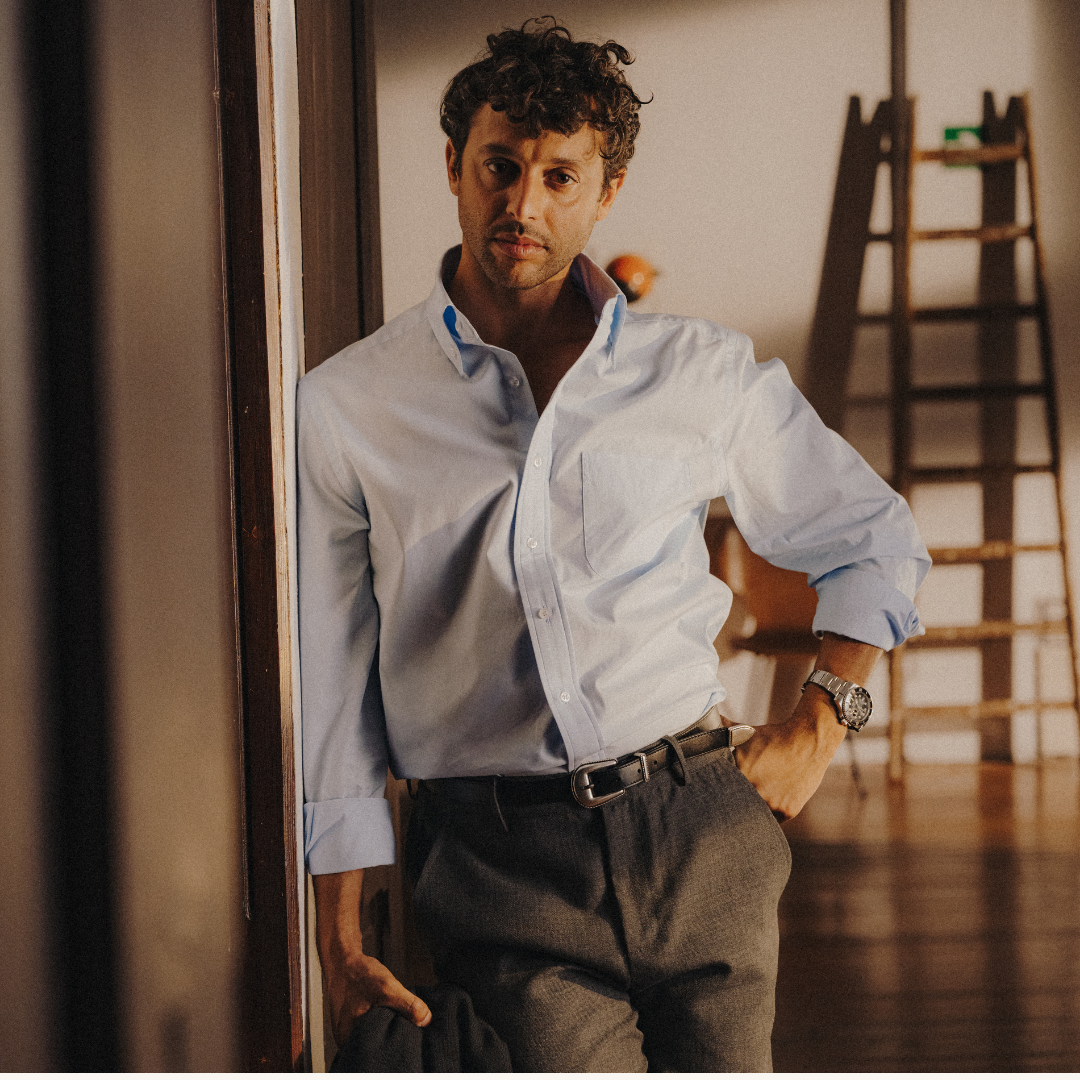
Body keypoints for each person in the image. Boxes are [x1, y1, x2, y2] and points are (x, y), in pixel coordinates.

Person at [298, 17, 929, 1071]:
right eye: (500, 167)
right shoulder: (349, 404)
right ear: (454, 165)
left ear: (608, 191)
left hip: (700, 827)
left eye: (560, 175)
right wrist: (338, 919)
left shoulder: (701, 371)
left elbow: (875, 537)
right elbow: (332, 674)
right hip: (498, 867)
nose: (523, 204)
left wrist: (822, 724)